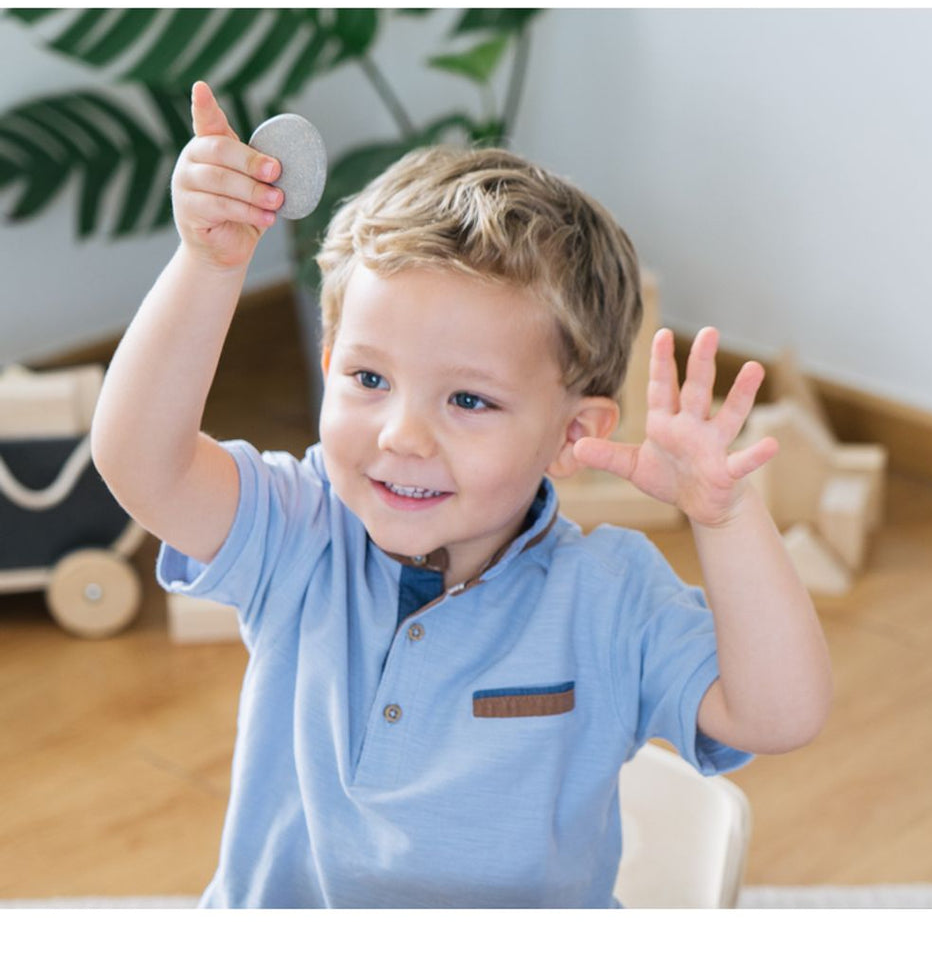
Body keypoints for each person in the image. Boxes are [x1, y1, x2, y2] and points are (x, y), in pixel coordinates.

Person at [91, 81, 832, 908]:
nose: (403, 436)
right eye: (370, 378)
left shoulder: (611, 594)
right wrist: (207, 263)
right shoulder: (301, 532)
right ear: (329, 366)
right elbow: (140, 463)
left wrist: (723, 518)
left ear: (570, 435)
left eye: (468, 400)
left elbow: (780, 716)